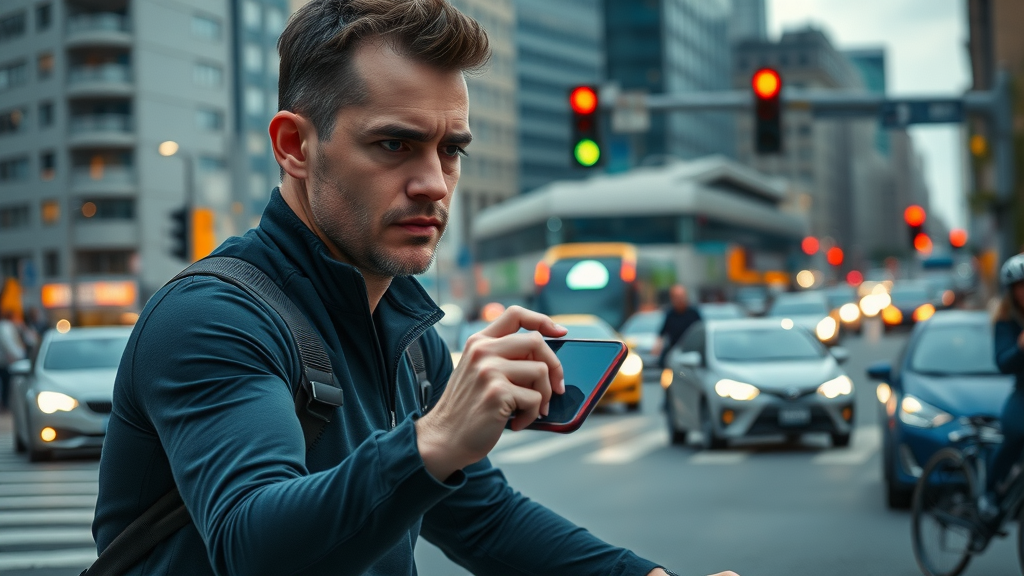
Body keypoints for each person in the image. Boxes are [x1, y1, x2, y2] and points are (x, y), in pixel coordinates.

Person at [92, 2, 737, 576]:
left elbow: (484, 520)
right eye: (395, 143)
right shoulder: (213, 317)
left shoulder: (407, 334)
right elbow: (250, 544)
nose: (432, 181)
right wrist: (433, 441)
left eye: (450, 150)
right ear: (294, 146)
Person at [981, 254, 1024, 519]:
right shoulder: (1006, 321)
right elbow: (1002, 362)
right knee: (1017, 432)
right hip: (1021, 395)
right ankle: (988, 492)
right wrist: (1020, 348)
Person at [653, 284, 702, 368]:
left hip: (693, 351)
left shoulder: (694, 313)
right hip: (675, 351)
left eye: (681, 296)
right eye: (676, 297)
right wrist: (656, 349)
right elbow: (662, 334)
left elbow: (701, 331)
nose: (679, 300)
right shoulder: (670, 315)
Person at [0, 309, 26, 411]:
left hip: (5, 360)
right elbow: (9, 344)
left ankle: (5, 403)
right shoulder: (6, 327)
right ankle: (5, 404)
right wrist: (19, 355)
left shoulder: (7, 326)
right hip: (6, 361)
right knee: (7, 383)